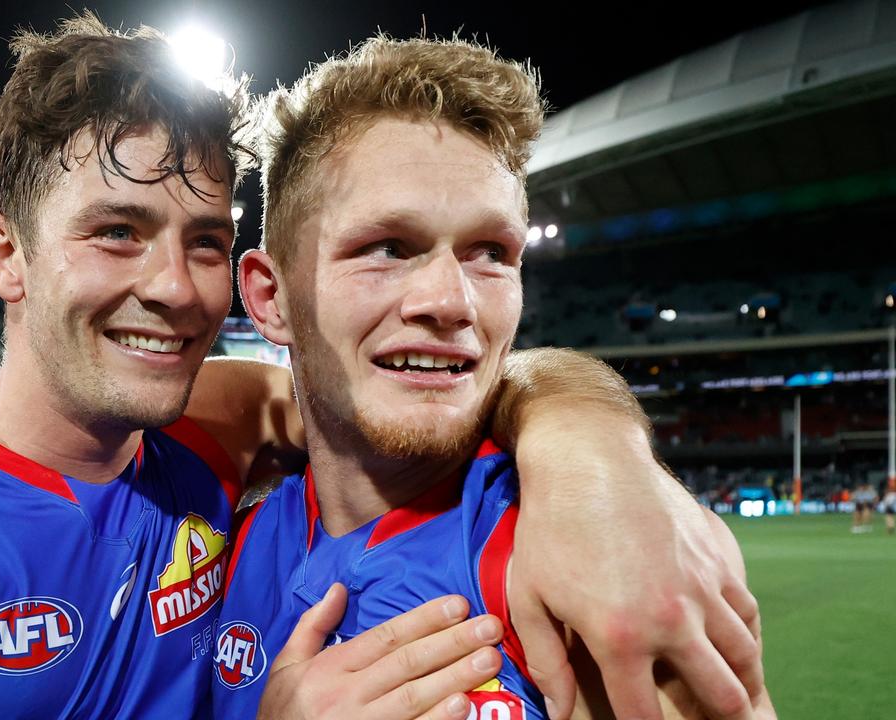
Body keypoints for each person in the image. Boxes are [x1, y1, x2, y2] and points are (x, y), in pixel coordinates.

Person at [0, 14, 764, 720]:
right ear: (5, 253)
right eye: (115, 232)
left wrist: (596, 460)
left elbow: (445, 376)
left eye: (200, 241)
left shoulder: (209, 439)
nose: (174, 288)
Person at [211, 34, 773, 720]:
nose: (451, 302)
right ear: (270, 299)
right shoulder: (222, 537)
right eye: (388, 247)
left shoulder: (584, 569)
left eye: (490, 253)